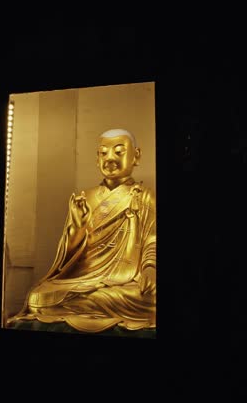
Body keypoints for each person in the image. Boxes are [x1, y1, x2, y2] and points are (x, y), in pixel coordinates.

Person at [9, 129, 156, 333]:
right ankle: (84, 303)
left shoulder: (145, 197)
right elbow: (68, 258)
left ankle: (86, 304)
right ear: (97, 159)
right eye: (103, 153)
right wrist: (77, 228)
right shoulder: (85, 197)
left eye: (119, 152)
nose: (110, 158)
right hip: (83, 279)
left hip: (124, 281)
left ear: (136, 156)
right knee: (38, 297)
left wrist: (150, 269)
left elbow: (152, 240)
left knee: (151, 300)